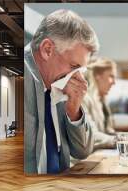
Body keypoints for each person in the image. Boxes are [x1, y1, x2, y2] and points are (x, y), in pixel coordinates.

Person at [24, 9, 99, 174]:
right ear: (47, 49)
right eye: (73, 66)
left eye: (80, 69)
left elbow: (82, 151)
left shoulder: (61, 85)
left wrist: (74, 110)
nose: (78, 77)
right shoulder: (21, 78)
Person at [82, 57, 117, 149]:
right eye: (111, 76)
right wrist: (121, 141)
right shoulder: (83, 99)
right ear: (98, 76)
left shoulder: (102, 102)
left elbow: (107, 132)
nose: (114, 82)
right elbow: (90, 135)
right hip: (82, 161)